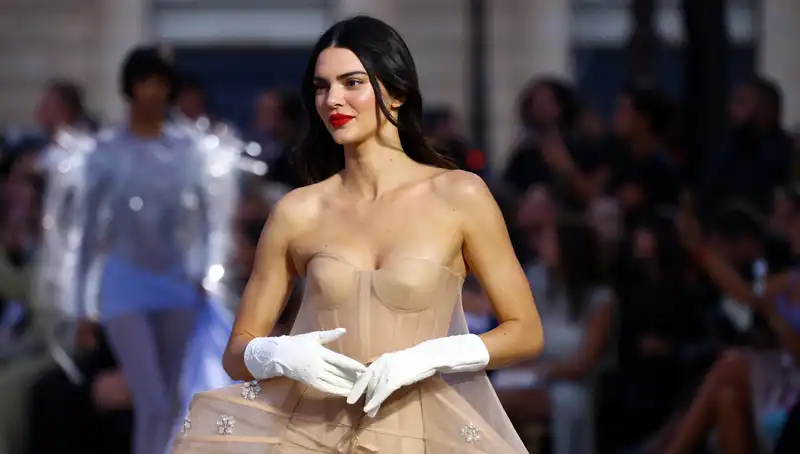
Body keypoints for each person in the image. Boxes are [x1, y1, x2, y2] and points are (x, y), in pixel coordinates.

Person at [174, 15, 543, 453]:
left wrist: (430, 356)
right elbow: (236, 353)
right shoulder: (298, 211)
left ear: (398, 91)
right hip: (306, 432)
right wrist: (279, 355)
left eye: (352, 82)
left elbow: (526, 332)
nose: (333, 99)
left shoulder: (459, 195)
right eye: (321, 86)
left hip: (418, 432)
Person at [68, 46, 238, 454]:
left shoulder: (188, 149)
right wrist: (81, 305)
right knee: (152, 398)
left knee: (174, 400)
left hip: (177, 281)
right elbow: (88, 231)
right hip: (123, 282)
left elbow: (209, 219)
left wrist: (206, 271)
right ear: (130, 87)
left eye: (160, 83)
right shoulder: (107, 151)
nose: (152, 92)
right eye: (145, 81)